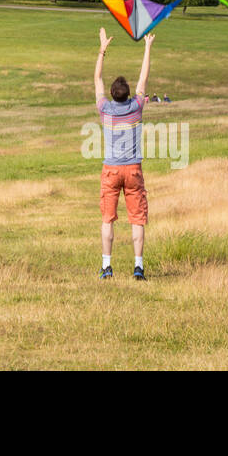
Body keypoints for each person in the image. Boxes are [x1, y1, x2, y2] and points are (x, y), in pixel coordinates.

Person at [93, 27, 153, 281]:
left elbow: (96, 80)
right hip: (134, 170)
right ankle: (138, 267)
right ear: (128, 95)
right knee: (136, 219)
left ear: (112, 95)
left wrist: (102, 49)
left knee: (108, 218)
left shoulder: (105, 109)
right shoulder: (137, 107)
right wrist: (148, 46)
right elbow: (143, 79)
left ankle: (107, 267)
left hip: (111, 170)